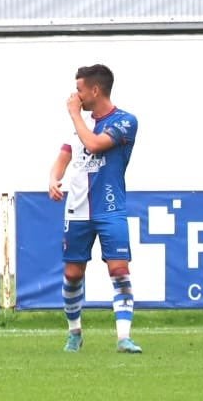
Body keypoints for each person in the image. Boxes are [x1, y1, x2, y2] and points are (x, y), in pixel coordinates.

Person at [48, 64, 141, 354]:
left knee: (119, 269)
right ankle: (74, 333)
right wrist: (53, 177)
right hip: (77, 210)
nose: (75, 96)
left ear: (95, 90)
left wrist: (75, 114)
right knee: (73, 273)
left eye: (79, 90)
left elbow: (95, 144)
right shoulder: (77, 127)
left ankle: (123, 337)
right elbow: (65, 154)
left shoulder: (125, 121)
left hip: (110, 208)